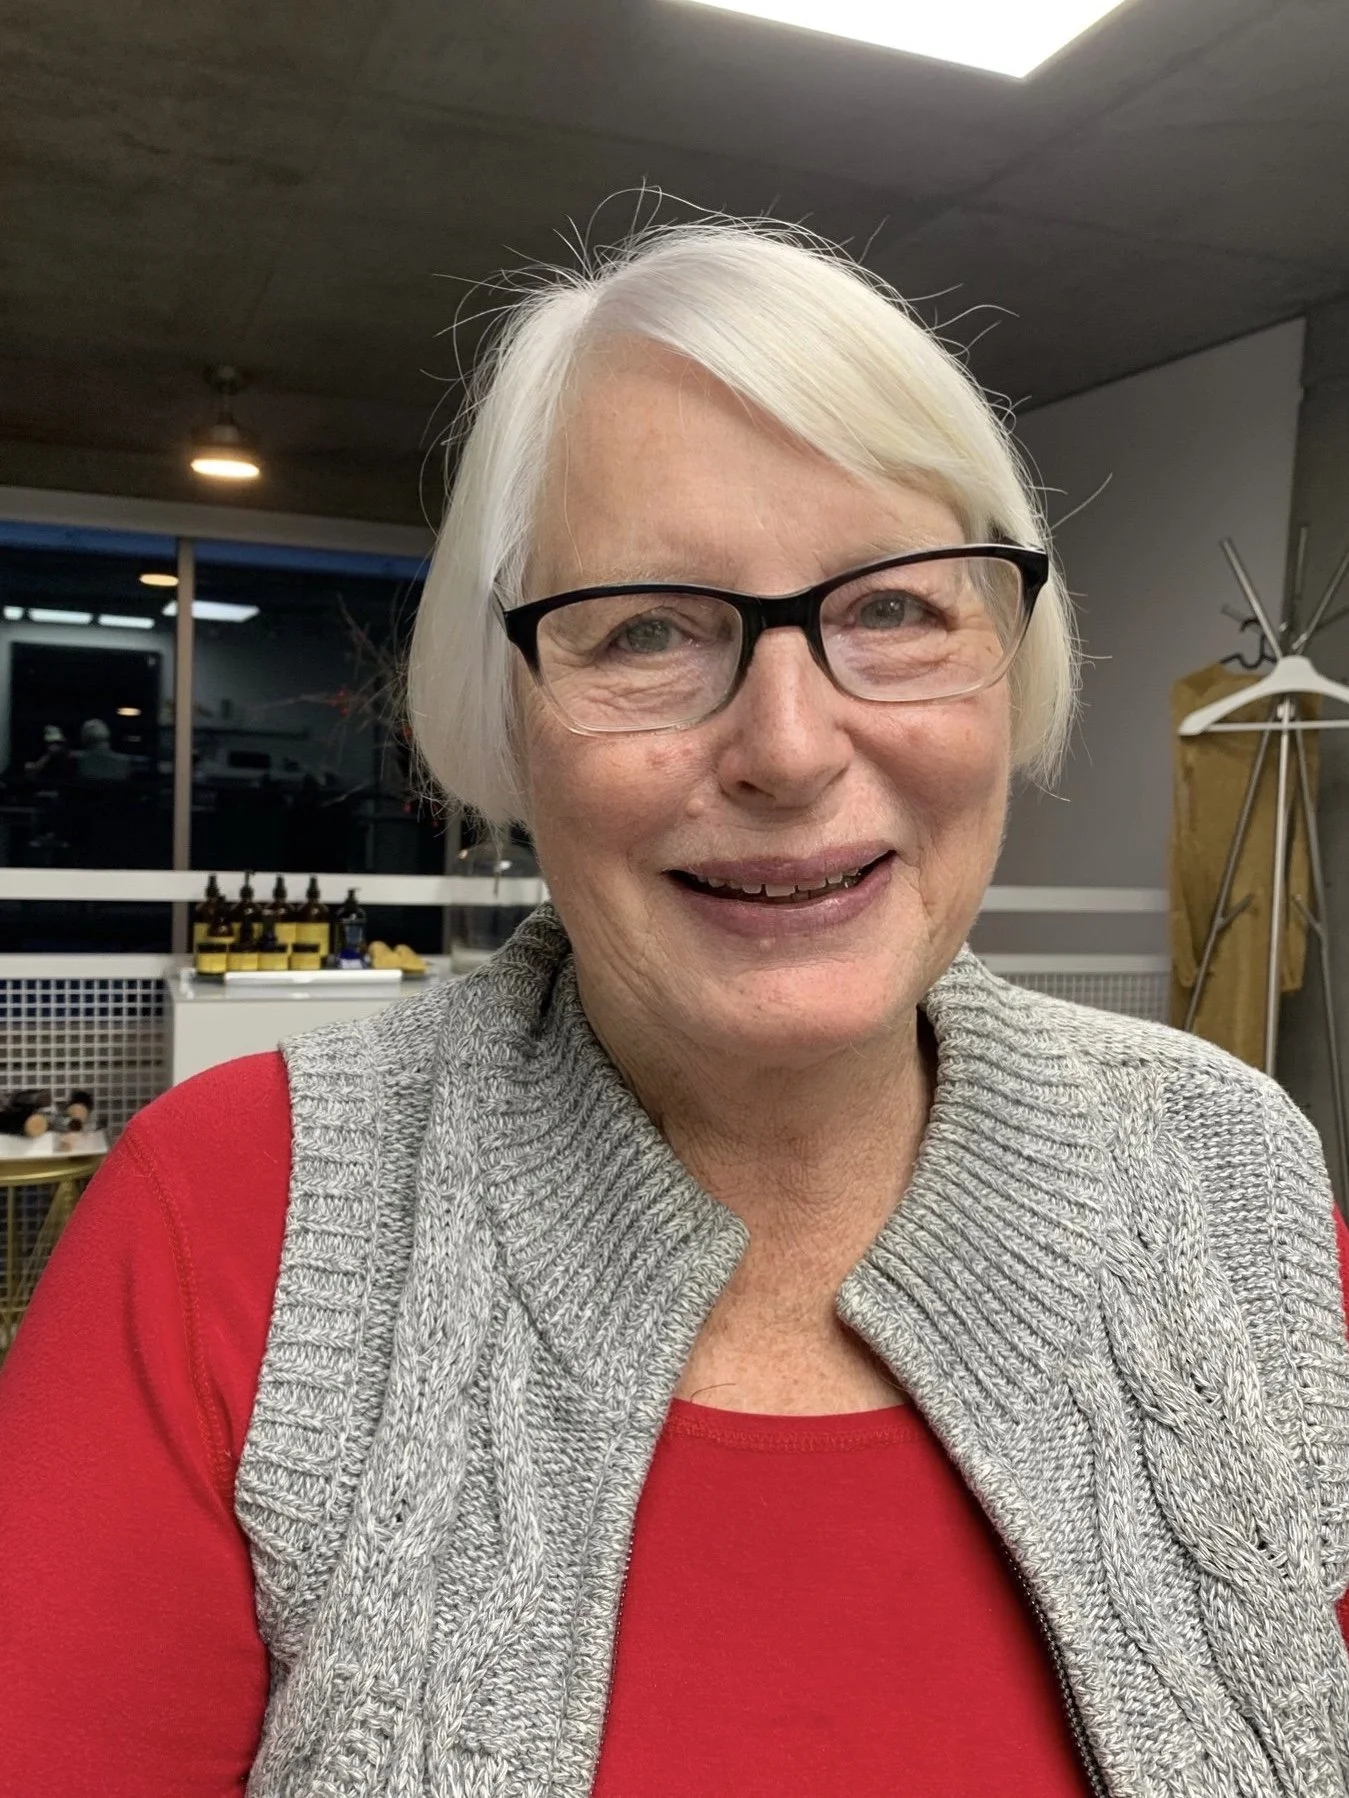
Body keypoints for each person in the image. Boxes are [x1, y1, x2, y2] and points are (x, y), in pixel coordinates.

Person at [3, 220, 1349, 1798]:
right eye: (648, 626)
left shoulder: (1232, 1174)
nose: (787, 745)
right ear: (506, 713)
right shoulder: (231, 1218)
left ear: (1011, 654)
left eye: (898, 609)